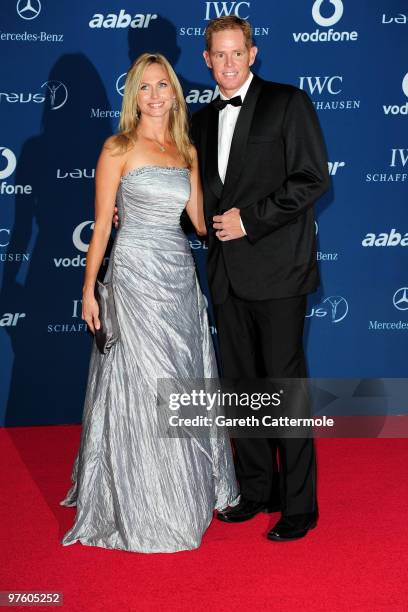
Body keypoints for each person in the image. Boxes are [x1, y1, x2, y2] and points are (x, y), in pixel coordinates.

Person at [60, 53, 238, 553]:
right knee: (145, 386)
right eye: (145, 87)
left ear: (175, 93)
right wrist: (88, 287)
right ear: (133, 94)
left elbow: (201, 223)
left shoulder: (186, 149)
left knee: (181, 381)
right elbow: (100, 228)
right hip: (135, 277)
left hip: (179, 277)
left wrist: (253, 206)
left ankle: (184, 489)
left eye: (163, 85)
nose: (155, 95)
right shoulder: (116, 148)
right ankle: (147, 501)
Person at [190, 17, 330, 541]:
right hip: (226, 276)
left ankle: (299, 505)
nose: (228, 64)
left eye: (237, 53)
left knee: (284, 389)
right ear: (206, 60)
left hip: (279, 273)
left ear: (254, 53)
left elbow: (313, 177)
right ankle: (256, 490)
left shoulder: (287, 103)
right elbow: (199, 206)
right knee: (244, 389)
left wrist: (251, 218)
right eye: (218, 56)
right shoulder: (200, 121)